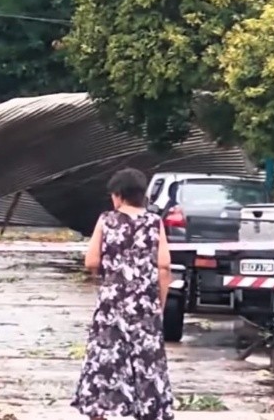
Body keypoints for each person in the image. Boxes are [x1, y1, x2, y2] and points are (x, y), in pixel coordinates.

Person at [71, 167, 174, 420]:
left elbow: (91, 261)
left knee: (106, 362)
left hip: (112, 306)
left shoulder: (107, 220)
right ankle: (148, 412)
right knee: (147, 364)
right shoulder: (154, 222)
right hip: (144, 307)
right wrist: (158, 303)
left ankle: (102, 412)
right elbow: (164, 267)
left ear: (118, 195)